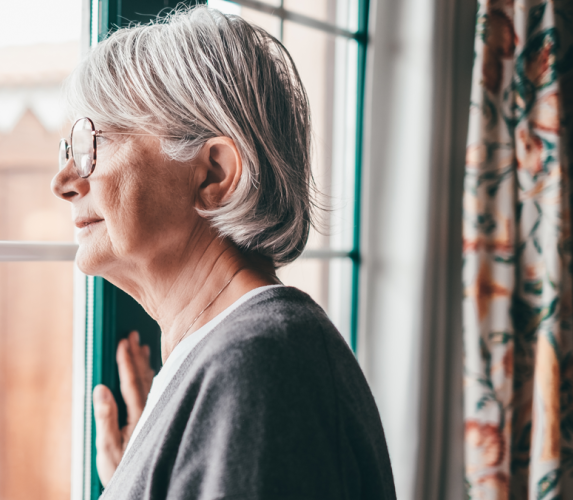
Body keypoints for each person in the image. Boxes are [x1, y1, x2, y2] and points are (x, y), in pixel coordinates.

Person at [51, 6, 395, 499]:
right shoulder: (236, 358)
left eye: (92, 143)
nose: (62, 181)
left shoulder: (260, 369)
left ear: (214, 173)